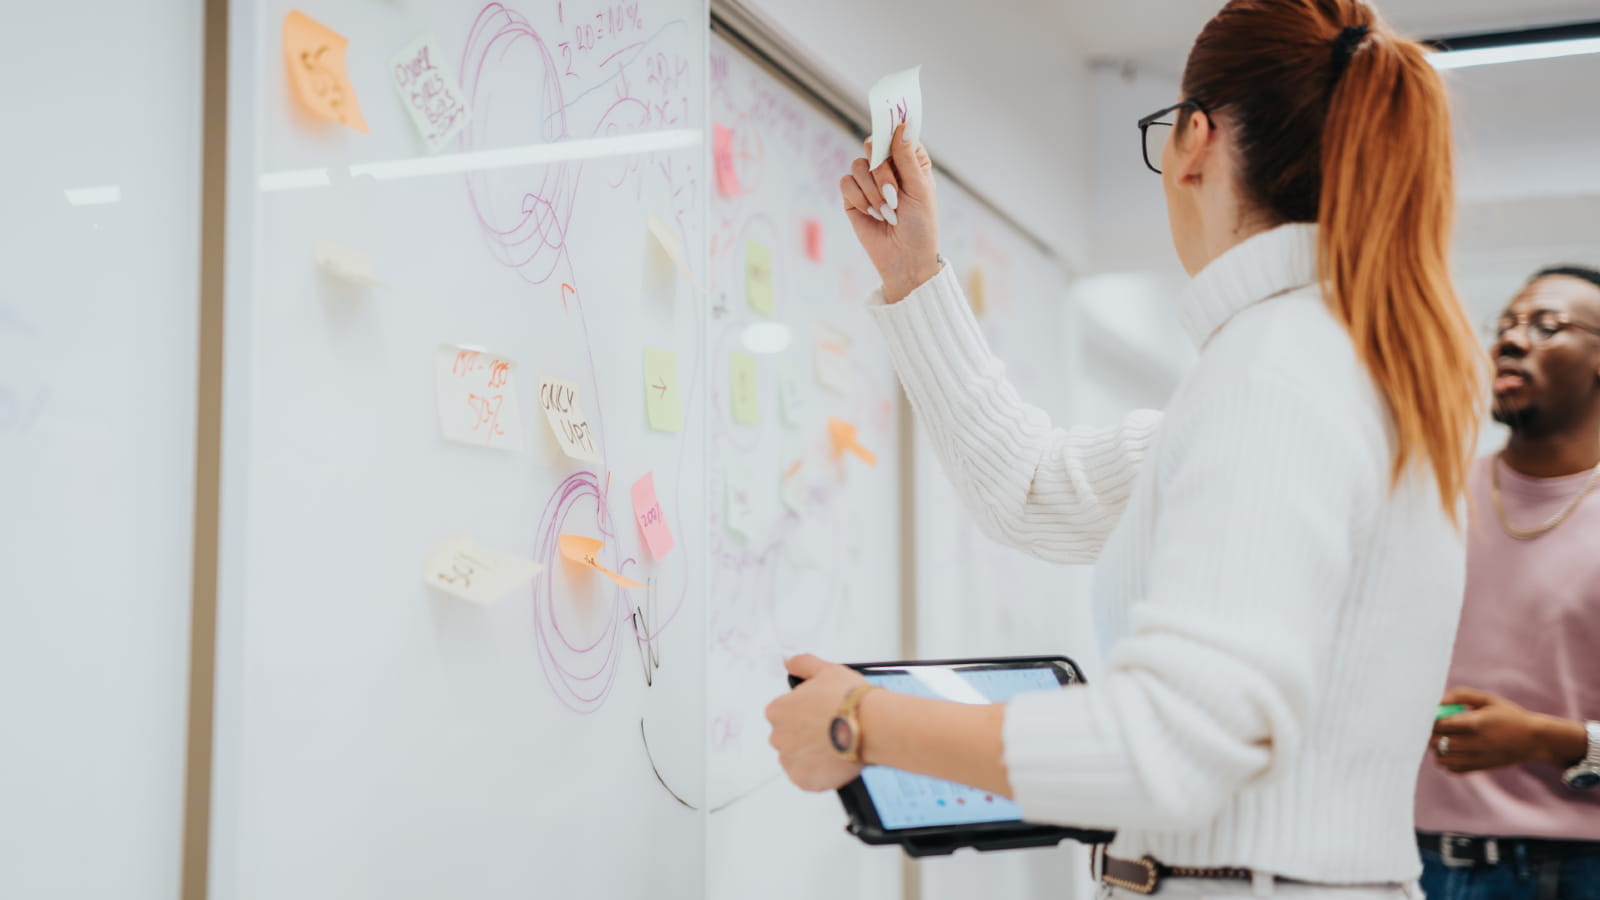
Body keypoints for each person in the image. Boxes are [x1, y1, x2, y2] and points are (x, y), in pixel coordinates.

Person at [765, 0, 1486, 894]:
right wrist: (914, 276)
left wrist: (863, 724)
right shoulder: (1328, 360)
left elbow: (1168, 745)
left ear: (1194, 140)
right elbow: (1029, 486)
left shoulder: (1278, 371)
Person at [1414, 265, 1600, 899]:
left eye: (1548, 326)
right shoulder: (1426, 494)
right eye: (1509, 323)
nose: (1513, 340)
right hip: (1404, 861)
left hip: (1570, 870)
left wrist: (1549, 740)